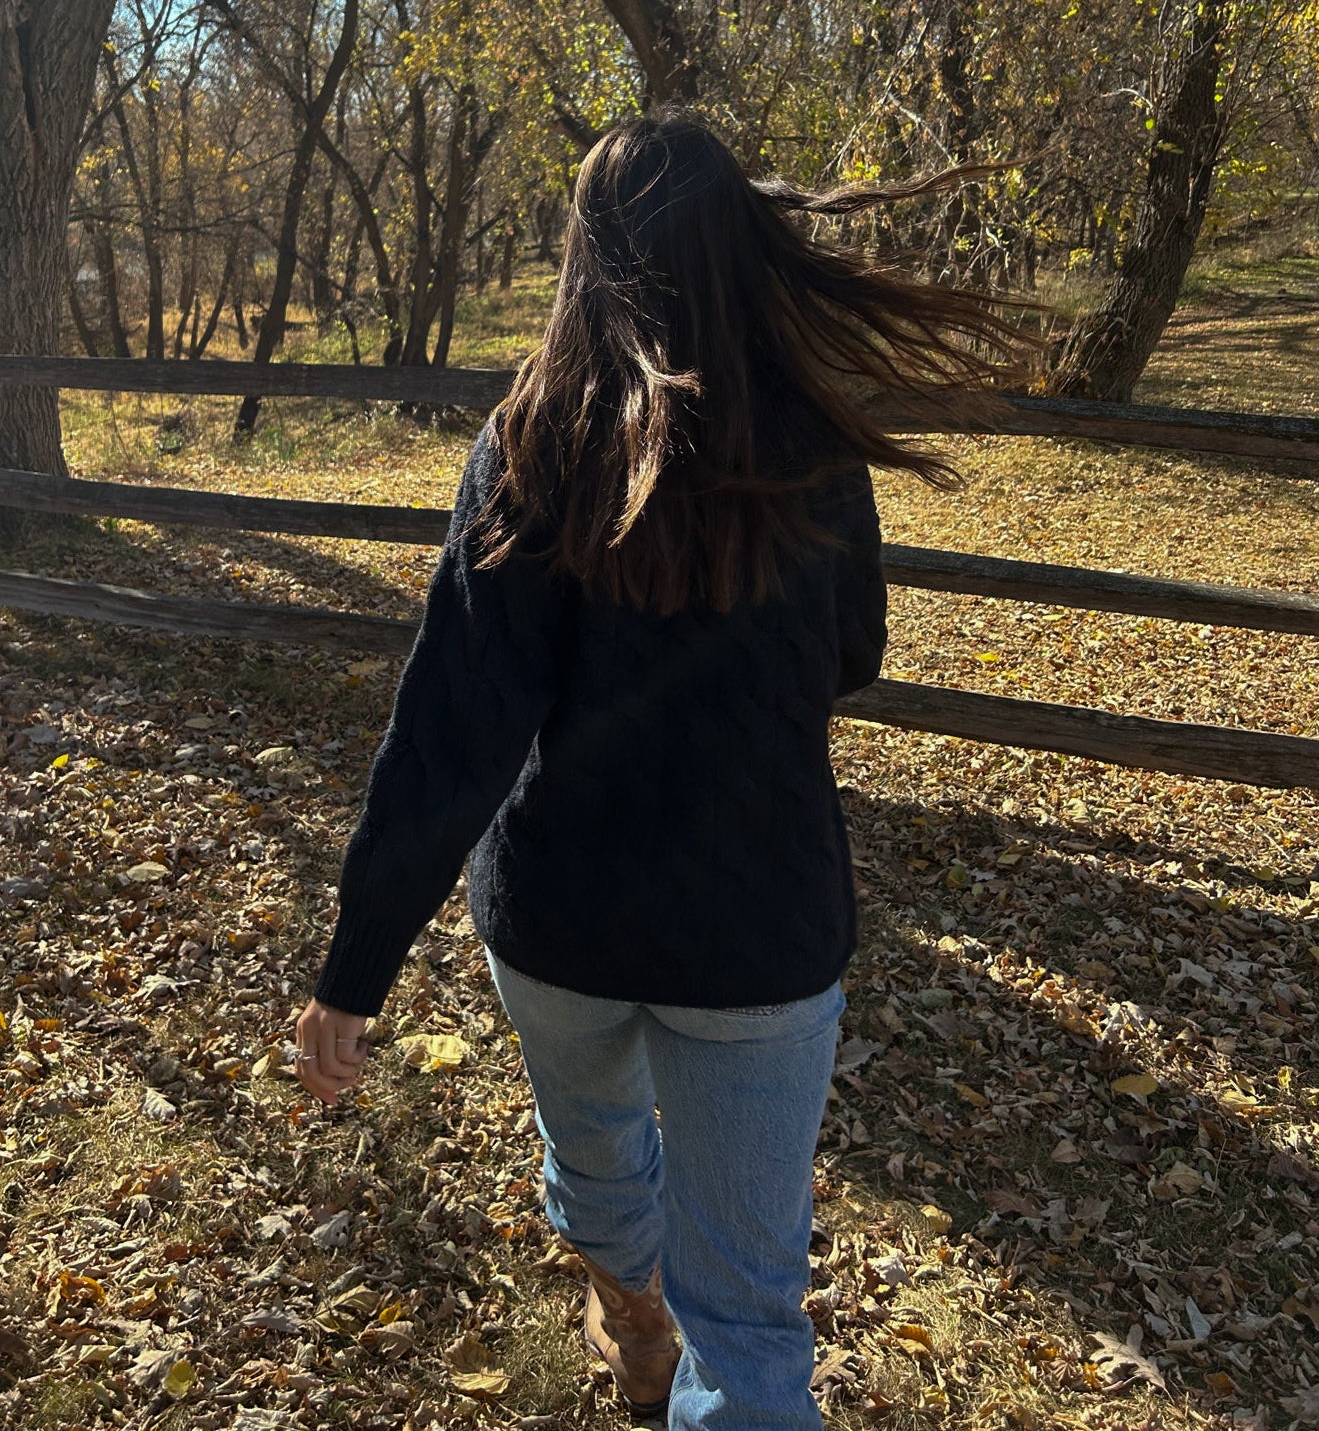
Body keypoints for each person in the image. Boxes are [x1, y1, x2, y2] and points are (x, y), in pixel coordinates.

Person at [294, 110, 1015, 1431]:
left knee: (598, 1150)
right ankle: (662, 1329)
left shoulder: (528, 444)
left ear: (586, 257)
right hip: (760, 930)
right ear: (744, 249)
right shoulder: (812, 450)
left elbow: (455, 728)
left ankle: (629, 1306)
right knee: (747, 1314)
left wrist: (354, 974)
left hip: (561, 926)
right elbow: (853, 655)